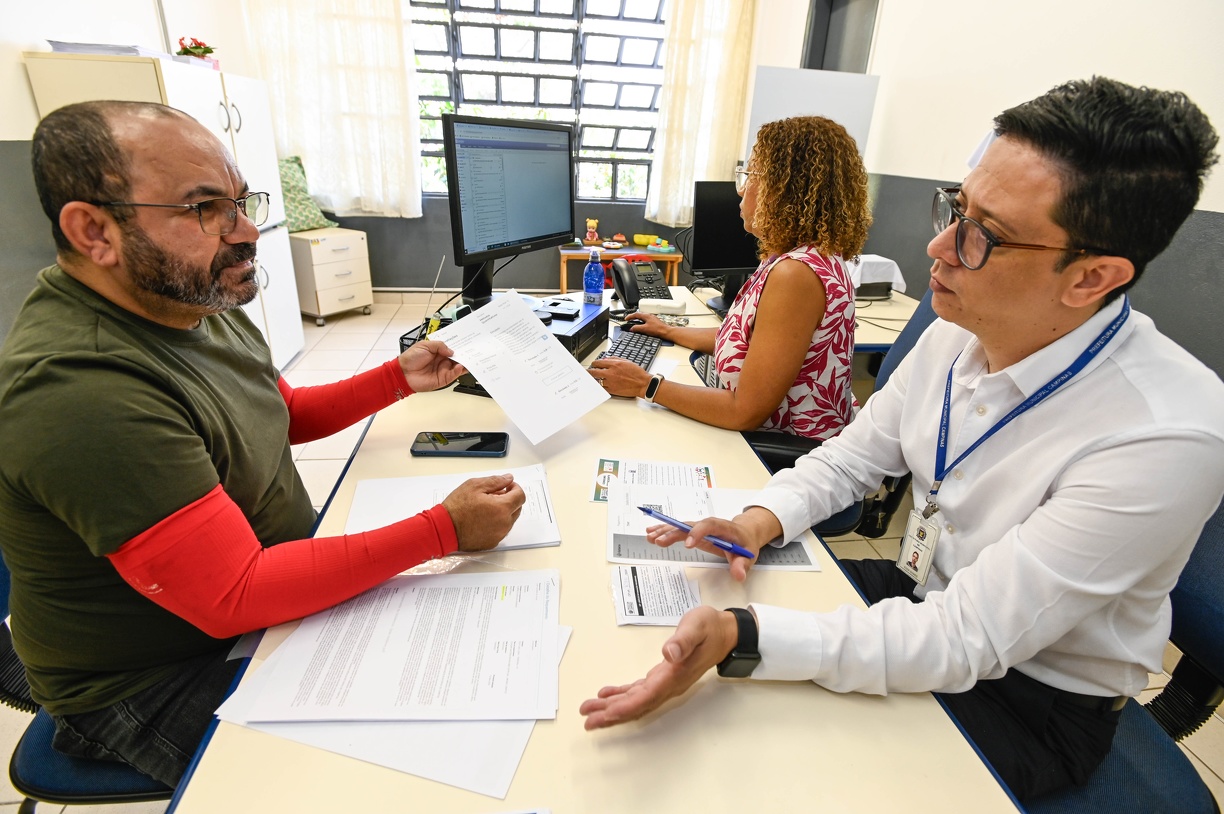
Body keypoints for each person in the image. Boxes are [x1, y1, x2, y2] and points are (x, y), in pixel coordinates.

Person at [579, 77, 1224, 802]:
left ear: (1092, 277)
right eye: (956, 206)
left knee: (753, 761)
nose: (938, 246)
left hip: (1028, 695)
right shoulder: (957, 329)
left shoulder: (1166, 432)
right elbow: (855, 455)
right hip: (921, 593)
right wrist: (757, 521)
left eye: (984, 234)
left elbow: (966, 640)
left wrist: (747, 634)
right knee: (668, 635)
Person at [0, 100, 526, 786]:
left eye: (241, 201)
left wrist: (396, 378)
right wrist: (441, 531)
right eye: (205, 208)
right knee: (409, 774)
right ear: (95, 231)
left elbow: (280, 415)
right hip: (152, 677)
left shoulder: (187, 299)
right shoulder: (80, 391)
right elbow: (236, 594)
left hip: (258, 594)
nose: (246, 230)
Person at [588, 115, 871, 441]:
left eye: (750, 175)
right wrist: (666, 329)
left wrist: (645, 385)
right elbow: (747, 338)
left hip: (787, 458)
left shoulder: (796, 275)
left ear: (783, 191)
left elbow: (744, 411)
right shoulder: (799, 258)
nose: (741, 189)